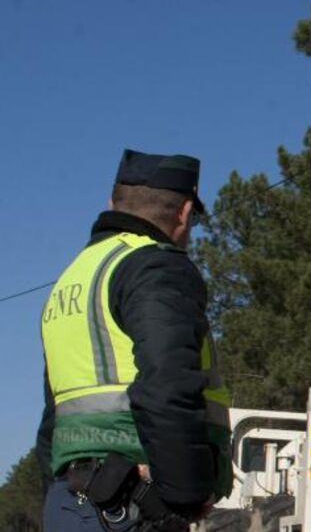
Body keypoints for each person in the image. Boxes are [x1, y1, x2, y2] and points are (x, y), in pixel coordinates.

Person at [37, 149, 233, 531]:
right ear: (184, 212)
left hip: (71, 502)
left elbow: (52, 418)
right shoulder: (155, 266)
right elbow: (167, 383)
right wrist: (184, 496)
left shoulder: (74, 278)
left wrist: (60, 496)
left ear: (113, 202)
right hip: (131, 504)